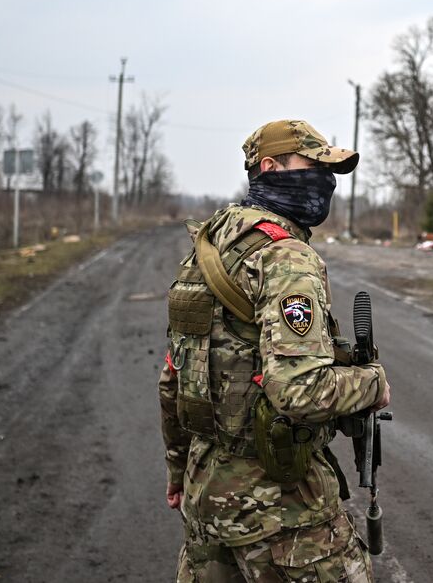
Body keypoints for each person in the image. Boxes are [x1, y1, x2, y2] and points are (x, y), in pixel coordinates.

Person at [159, 119, 390, 582]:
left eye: (331, 173)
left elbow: (174, 375)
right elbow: (299, 392)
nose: (325, 183)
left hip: (208, 501)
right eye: (314, 167)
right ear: (270, 167)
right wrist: (374, 384)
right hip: (282, 513)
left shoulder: (213, 240)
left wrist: (178, 469)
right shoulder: (285, 255)